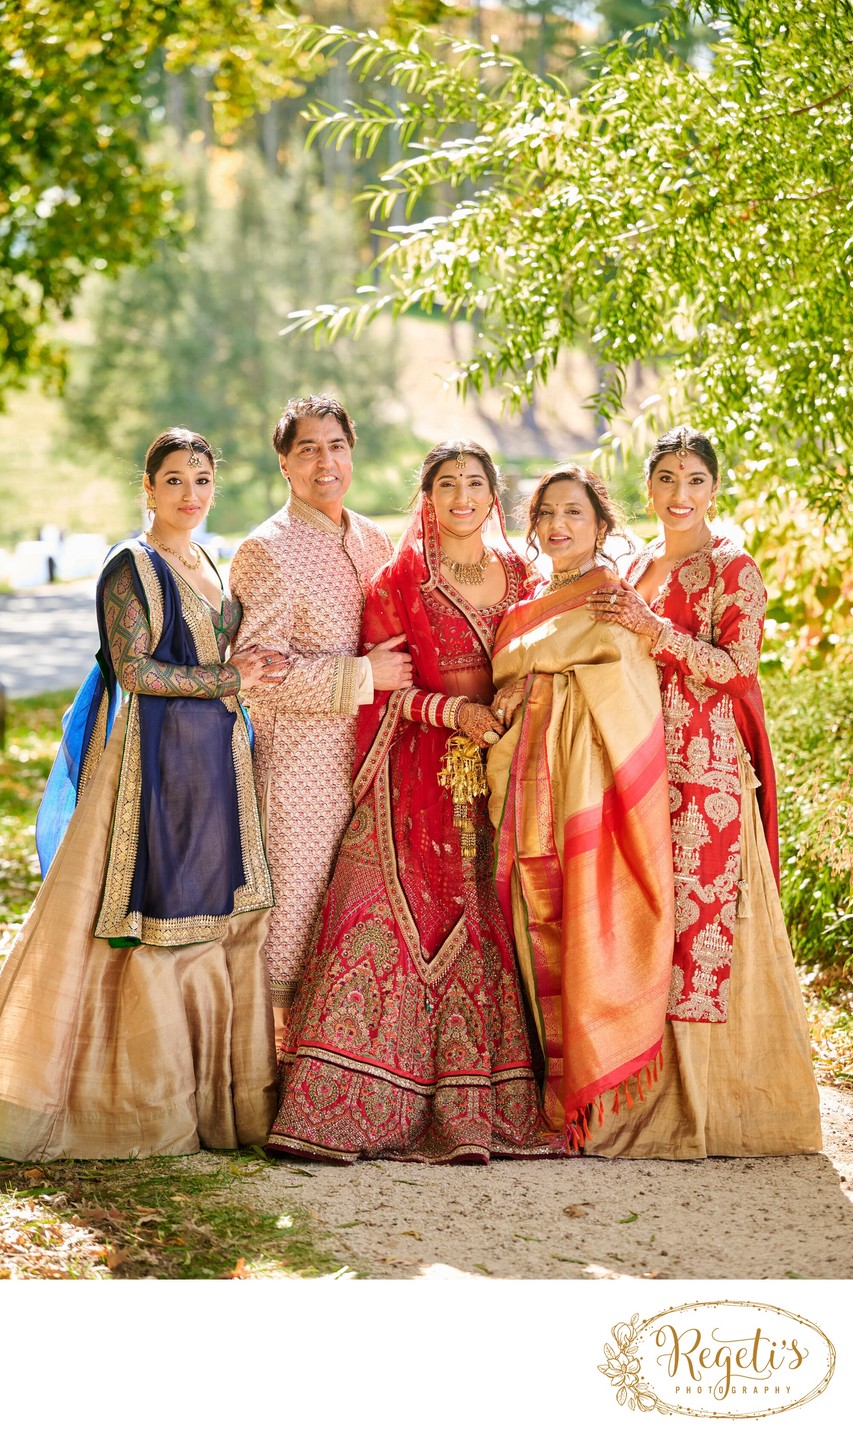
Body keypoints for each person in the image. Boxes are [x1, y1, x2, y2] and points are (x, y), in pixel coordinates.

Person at [266, 441, 565, 1163]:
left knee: (489, 918)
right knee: (386, 917)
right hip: (411, 780)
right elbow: (386, 688)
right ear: (424, 498)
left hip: (499, 774)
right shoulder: (395, 582)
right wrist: (449, 714)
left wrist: (513, 705)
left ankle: (477, 1102)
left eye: (474, 483)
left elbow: (552, 656)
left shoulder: (525, 577)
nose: (461, 495)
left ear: (493, 496)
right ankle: (351, 1104)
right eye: (445, 484)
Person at [0, 428, 285, 1160]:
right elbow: (136, 671)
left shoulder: (206, 561)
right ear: (148, 487)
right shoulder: (132, 565)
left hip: (209, 759)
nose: (190, 494)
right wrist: (233, 679)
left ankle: (218, 1099)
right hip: (150, 764)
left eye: (201, 480)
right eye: (174, 480)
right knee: (139, 913)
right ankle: (124, 1101)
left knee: (212, 916)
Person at [584, 425, 822, 1157]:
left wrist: (655, 631)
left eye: (692, 480)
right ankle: (631, 1093)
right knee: (640, 924)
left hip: (705, 774)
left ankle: (712, 1107)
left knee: (697, 933)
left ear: (713, 488)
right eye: (664, 478)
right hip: (633, 761)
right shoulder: (633, 561)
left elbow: (737, 666)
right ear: (647, 487)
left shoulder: (731, 566)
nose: (677, 494)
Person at [486, 466, 676, 1149]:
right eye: (545, 514)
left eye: (573, 512)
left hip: (589, 784)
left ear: (601, 525)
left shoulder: (609, 599)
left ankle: (592, 1096)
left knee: (585, 915)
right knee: (535, 915)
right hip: (530, 783)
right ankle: (552, 1089)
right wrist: (529, 679)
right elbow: (511, 674)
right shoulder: (523, 609)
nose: (557, 525)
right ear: (531, 527)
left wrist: (539, 675)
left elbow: (627, 688)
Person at [228, 396, 409, 1050]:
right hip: (298, 774)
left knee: (361, 914)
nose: (324, 461)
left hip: (370, 765)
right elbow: (257, 679)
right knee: (295, 923)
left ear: (351, 454)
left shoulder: (372, 539)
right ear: (284, 463)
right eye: (307, 449)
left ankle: (349, 1063)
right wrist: (363, 676)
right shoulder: (264, 549)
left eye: (335, 446)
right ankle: (275, 1080)